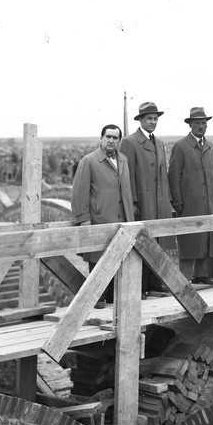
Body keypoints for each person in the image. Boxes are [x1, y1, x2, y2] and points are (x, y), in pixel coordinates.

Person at [71, 124, 136, 309]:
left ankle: (114, 300)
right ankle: (96, 300)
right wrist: (84, 221)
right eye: (108, 136)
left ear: (119, 141)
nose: (111, 140)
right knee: (98, 261)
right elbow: (78, 194)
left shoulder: (123, 160)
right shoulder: (89, 161)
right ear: (101, 138)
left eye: (115, 138)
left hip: (122, 221)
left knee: (120, 260)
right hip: (100, 220)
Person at [119, 100, 176, 299]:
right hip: (142, 201)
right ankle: (140, 286)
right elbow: (126, 176)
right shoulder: (129, 142)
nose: (152, 122)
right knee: (142, 243)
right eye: (149, 119)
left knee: (158, 242)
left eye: (155, 119)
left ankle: (154, 283)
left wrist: (168, 201)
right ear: (141, 120)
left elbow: (163, 174)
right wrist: (133, 203)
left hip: (159, 202)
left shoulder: (159, 143)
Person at [168, 107, 213, 285]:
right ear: (190, 125)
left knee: (208, 238)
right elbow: (173, 176)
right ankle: (183, 280)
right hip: (190, 203)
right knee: (190, 241)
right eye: (197, 123)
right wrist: (178, 202)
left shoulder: (211, 147)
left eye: (204, 123)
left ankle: (202, 276)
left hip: (210, 203)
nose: (201, 126)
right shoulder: (180, 146)